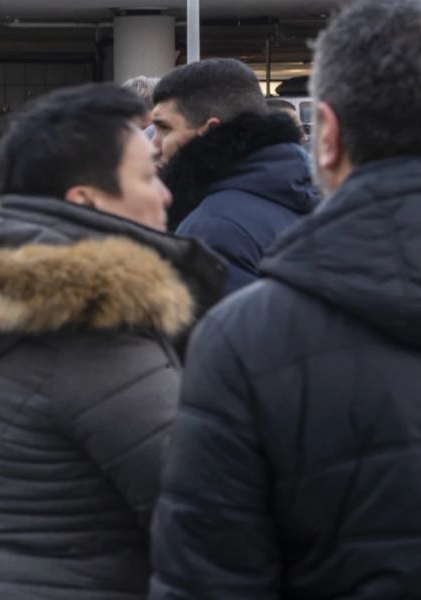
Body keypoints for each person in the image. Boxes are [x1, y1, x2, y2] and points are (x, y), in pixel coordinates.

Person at [0, 84, 225, 599]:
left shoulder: (13, 313)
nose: (164, 192)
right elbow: (212, 514)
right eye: (145, 176)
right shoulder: (87, 337)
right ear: (86, 200)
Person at [150, 1, 421, 597]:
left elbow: (211, 575)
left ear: (326, 135)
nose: (152, 146)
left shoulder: (246, 336)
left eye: (163, 128)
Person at [152, 58, 318, 295]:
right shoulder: (310, 194)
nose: (153, 145)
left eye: (165, 129)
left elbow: (220, 330)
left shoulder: (211, 228)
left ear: (208, 131)